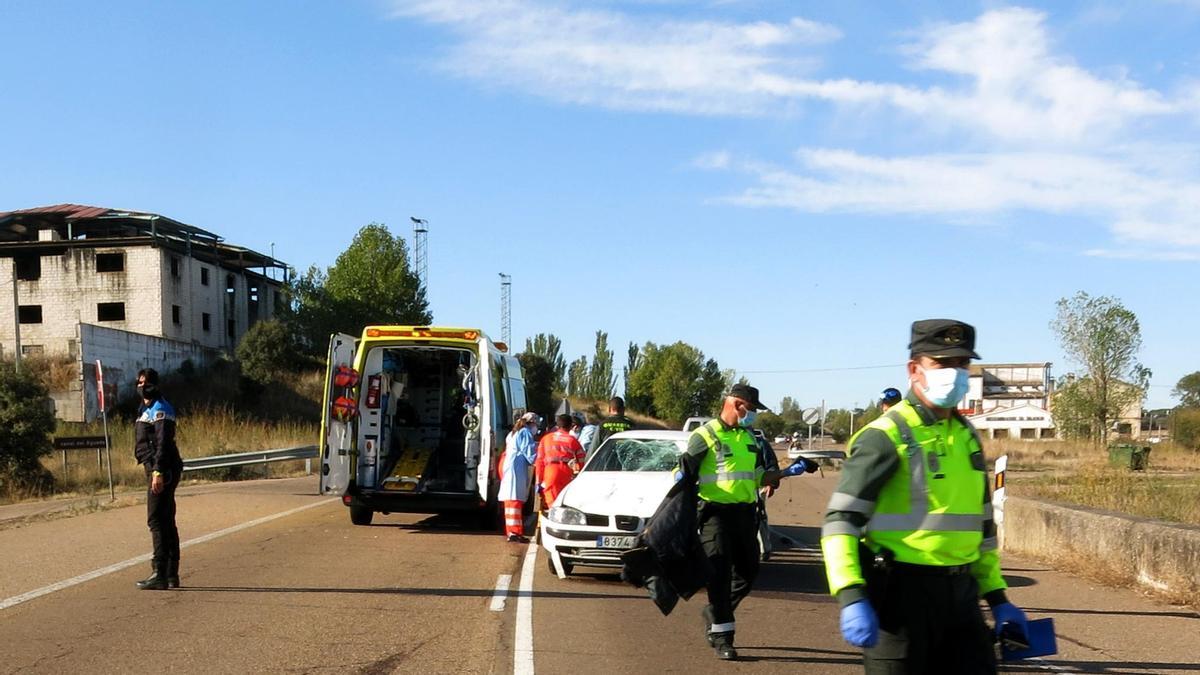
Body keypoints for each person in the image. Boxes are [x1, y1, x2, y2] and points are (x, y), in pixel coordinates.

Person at [821, 319, 1028, 674]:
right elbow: (840, 522)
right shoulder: (884, 436)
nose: (955, 372)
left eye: (962, 364)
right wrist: (851, 594)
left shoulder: (965, 437)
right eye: (943, 363)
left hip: (961, 601)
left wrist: (997, 597)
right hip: (900, 599)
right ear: (914, 370)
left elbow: (981, 529)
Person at [678, 383, 816, 660]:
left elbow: (758, 478)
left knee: (747, 574)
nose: (753, 415)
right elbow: (683, 474)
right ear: (737, 404)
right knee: (717, 575)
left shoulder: (749, 438)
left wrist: (791, 471)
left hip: (744, 515)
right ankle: (722, 637)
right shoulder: (704, 435)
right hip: (714, 515)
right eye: (752, 409)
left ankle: (715, 612)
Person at [133, 368, 183, 591]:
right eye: (139, 382)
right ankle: (171, 573)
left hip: (161, 469)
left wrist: (158, 471)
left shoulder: (160, 407)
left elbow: (163, 442)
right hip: (155, 468)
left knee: (156, 520)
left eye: (146, 382)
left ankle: (159, 572)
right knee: (166, 519)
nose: (142, 386)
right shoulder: (146, 408)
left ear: (155, 384)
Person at [498, 412, 538, 542]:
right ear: (532, 422)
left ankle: (512, 532)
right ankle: (515, 532)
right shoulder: (525, 432)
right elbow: (530, 452)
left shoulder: (513, 433)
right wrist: (540, 461)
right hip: (516, 469)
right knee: (514, 500)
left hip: (511, 467)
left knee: (510, 501)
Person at [535, 414, 586, 509]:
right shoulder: (572, 440)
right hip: (567, 472)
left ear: (557, 425)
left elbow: (539, 461)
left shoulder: (546, 438)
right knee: (564, 502)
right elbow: (582, 459)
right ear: (571, 426)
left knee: (553, 504)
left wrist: (538, 481)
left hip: (551, 472)